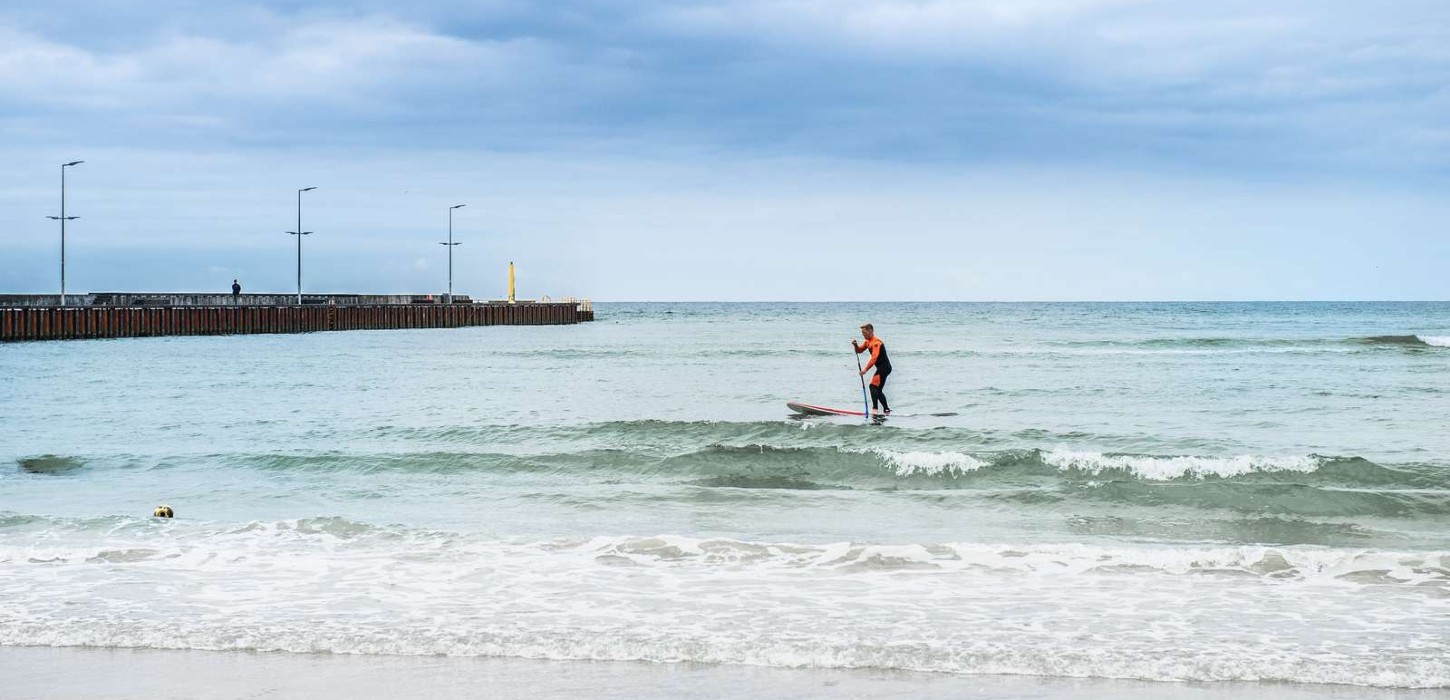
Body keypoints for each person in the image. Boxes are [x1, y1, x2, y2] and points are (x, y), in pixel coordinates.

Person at [852, 323, 892, 415]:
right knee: (878, 390)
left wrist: (865, 370)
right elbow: (859, 350)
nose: (863, 334)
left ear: (870, 331)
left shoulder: (876, 343)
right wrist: (855, 345)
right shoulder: (867, 342)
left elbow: (874, 358)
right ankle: (886, 409)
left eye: (864, 332)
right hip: (882, 368)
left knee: (872, 386)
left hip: (885, 367)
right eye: (862, 332)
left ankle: (875, 409)